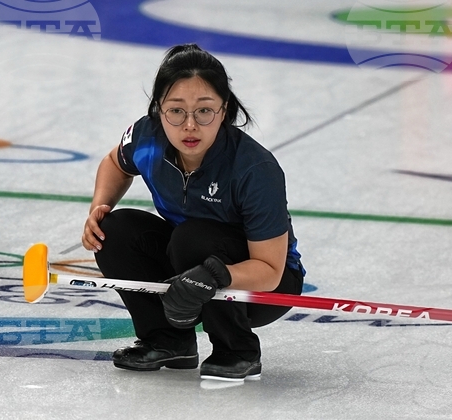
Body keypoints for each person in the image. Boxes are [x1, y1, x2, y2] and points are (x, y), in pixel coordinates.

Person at [82, 44, 305, 382]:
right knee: (115, 229)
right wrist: (100, 207)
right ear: (159, 110)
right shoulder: (147, 137)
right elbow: (115, 162)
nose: (189, 126)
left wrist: (214, 276)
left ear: (224, 110)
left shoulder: (254, 169)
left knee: (194, 237)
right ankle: (167, 340)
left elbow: (271, 270)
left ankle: (237, 349)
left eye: (204, 111)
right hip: (188, 258)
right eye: (176, 111)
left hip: (264, 287)